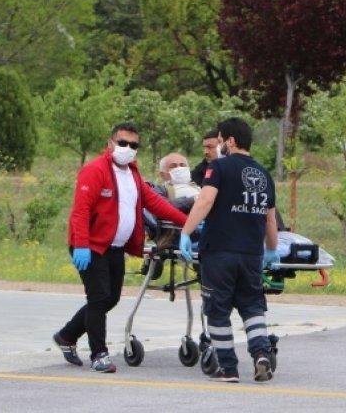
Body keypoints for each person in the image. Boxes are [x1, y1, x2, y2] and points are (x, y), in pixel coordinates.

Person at [53, 123, 188, 373]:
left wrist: (189, 223)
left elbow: (156, 204)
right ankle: (99, 354)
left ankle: (66, 336)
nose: (127, 149)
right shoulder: (94, 171)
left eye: (133, 145)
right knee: (99, 297)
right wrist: (81, 244)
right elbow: (80, 211)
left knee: (111, 298)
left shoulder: (132, 175)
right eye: (122, 143)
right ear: (110, 144)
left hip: (114, 246)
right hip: (91, 246)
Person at [178, 117, 280, 384]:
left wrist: (186, 233)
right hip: (251, 255)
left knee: (218, 310)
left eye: (220, 140)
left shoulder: (219, 168)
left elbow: (205, 201)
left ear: (230, 141)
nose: (219, 145)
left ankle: (228, 368)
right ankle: (260, 353)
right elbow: (270, 218)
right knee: (252, 306)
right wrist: (271, 249)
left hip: (220, 251)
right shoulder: (264, 174)